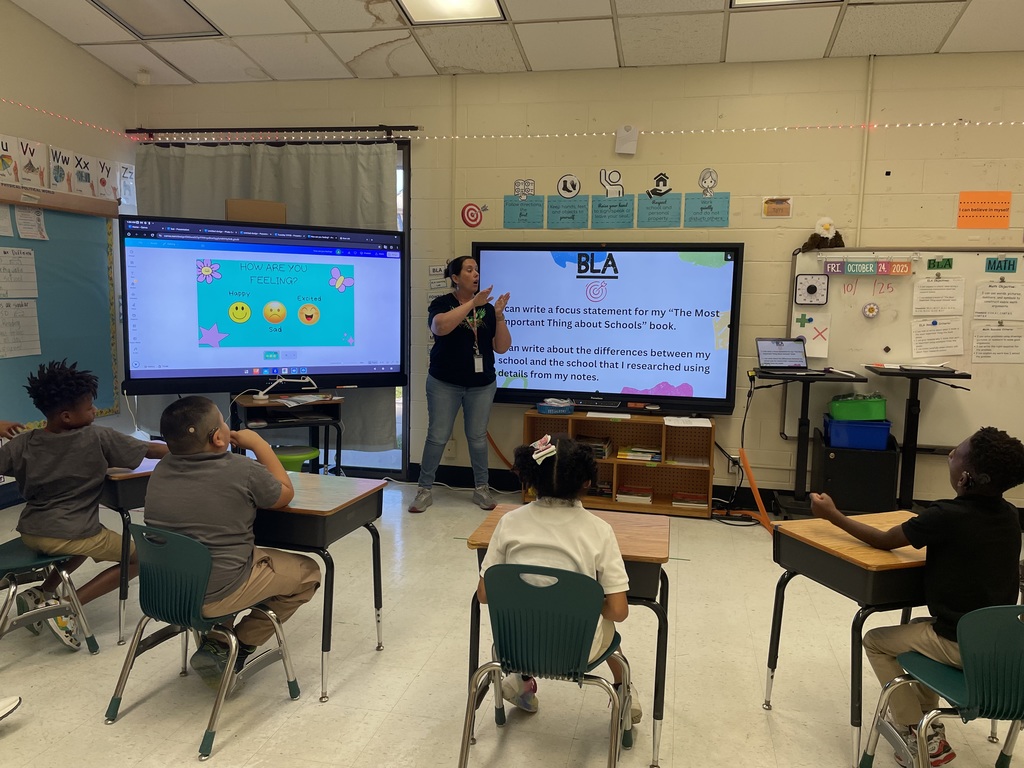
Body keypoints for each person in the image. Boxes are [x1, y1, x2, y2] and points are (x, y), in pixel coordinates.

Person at [810, 426, 1024, 768]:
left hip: (959, 644)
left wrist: (833, 516)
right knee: (920, 633)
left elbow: (884, 540)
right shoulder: (1010, 516)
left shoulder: (944, 516)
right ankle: (931, 727)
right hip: (1001, 648)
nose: (950, 455)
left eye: (956, 452)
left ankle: (914, 731)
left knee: (876, 640)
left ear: (965, 477)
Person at [144, 396, 321, 688]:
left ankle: (216, 640)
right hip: (215, 594)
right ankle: (238, 644)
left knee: (230, 558)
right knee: (309, 572)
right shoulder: (242, 469)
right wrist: (259, 445)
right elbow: (285, 494)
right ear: (218, 437)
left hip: (166, 592)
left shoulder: (162, 468)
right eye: (223, 422)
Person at [0, 360, 167, 649]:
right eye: (89, 407)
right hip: (71, 532)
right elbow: (149, 449)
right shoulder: (96, 437)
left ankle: (42, 592)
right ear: (67, 416)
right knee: (140, 558)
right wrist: (189, 448)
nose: (94, 412)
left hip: (32, 530)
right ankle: (64, 607)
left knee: (92, 536)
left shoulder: (22, 443)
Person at [477, 435, 642, 724]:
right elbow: (619, 610)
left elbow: (484, 594)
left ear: (530, 479)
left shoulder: (509, 522)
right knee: (606, 627)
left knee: (530, 607)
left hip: (514, 647)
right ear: (587, 482)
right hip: (577, 652)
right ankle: (622, 689)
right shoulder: (599, 531)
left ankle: (520, 682)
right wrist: (586, 603)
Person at [410, 255, 511, 513]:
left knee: (477, 437)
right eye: (469, 270)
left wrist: (498, 316)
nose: (475, 273)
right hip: (445, 382)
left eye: (476, 269)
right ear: (455, 278)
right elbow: (439, 327)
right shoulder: (442, 303)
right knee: (437, 436)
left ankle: (481, 489)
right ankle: (424, 490)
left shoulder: (487, 308)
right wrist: (471, 305)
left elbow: (501, 348)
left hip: (481, 384)